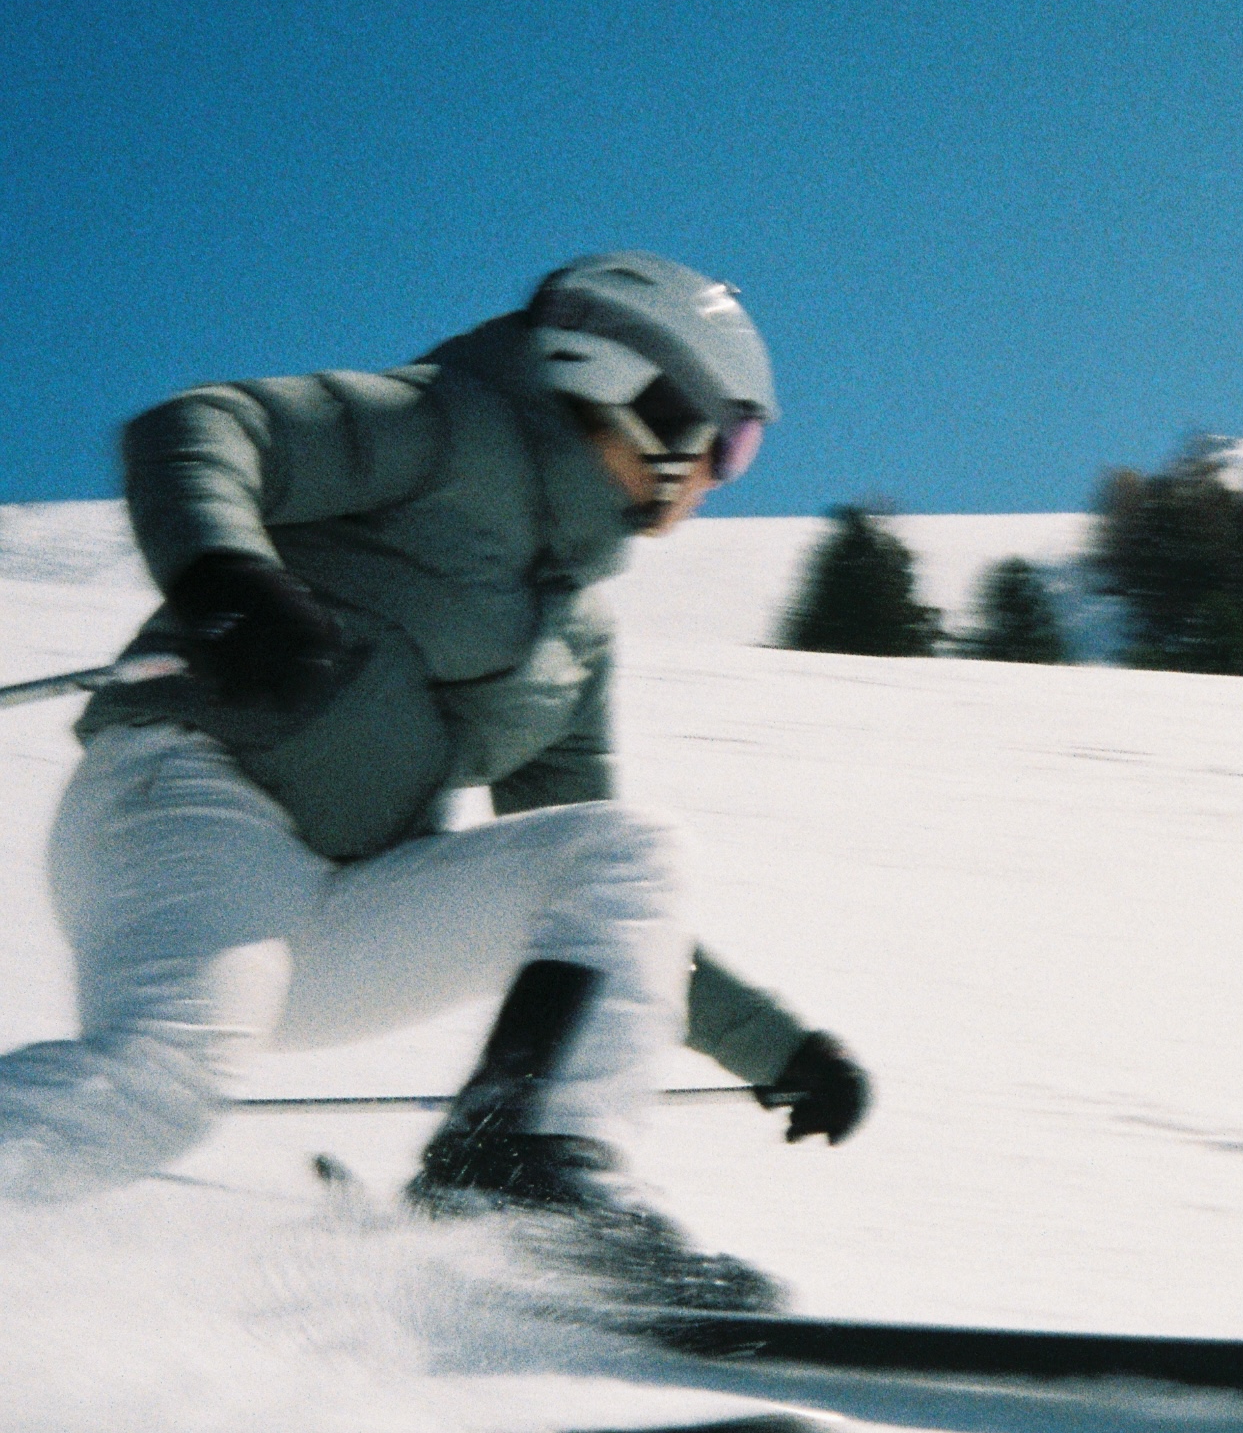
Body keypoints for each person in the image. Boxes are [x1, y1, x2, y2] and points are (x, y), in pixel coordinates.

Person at [0, 253, 868, 1312]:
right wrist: (226, 575)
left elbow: (601, 912)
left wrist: (778, 1048)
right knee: (161, 1079)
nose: (720, 476)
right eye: (727, 443)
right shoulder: (450, 424)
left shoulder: (575, 636)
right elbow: (202, 427)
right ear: (640, 391)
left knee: (625, 847)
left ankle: (521, 1173)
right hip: (191, 802)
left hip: (337, 902)